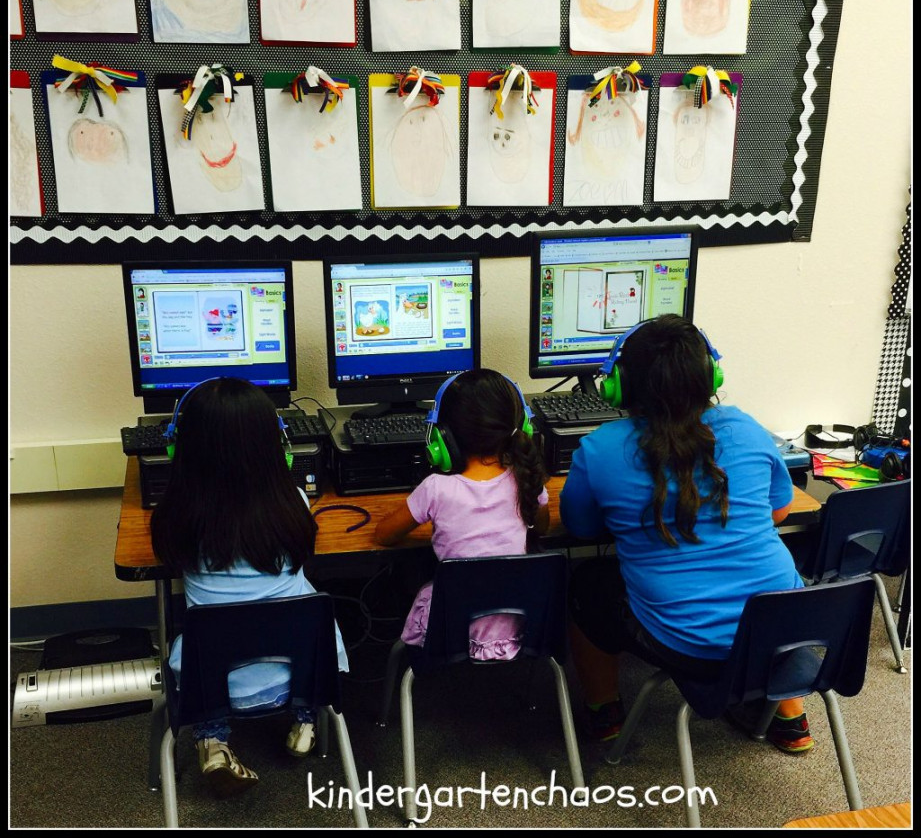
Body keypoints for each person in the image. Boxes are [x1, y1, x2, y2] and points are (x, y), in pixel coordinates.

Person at [560, 315, 812, 754]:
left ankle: (605, 715)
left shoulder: (599, 449)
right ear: (712, 374)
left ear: (617, 385)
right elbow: (780, 510)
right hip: (785, 633)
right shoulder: (749, 429)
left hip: (688, 644)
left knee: (586, 581)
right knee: (764, 592)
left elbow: (579, 528)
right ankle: (790, 719)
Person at [150, 377, 349, 796]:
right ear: (275, 446)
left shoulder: (177, 517)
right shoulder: (294, 502)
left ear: (181, 450)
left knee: (198, 635)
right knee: (307, 608)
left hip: (212, 685)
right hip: (298, 676)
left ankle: (213, 740)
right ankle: (306, 723)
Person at [373, 369, 550, 659]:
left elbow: (384, 535)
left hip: (449, 630)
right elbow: (541, 527)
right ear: (521, 428)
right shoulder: (526, 480)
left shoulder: (436, 488)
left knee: (408, 570)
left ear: (442, 437)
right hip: (518, 629)